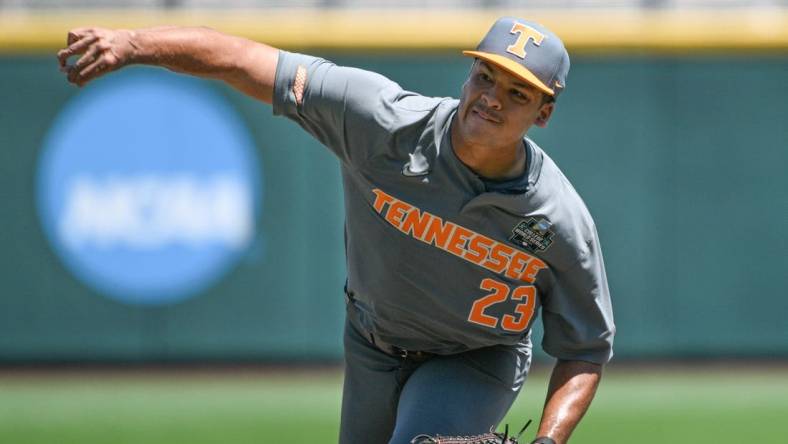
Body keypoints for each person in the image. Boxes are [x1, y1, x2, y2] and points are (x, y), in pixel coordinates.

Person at [57, 16, 615, 444]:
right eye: (485, 75)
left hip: (474, 357)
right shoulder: (383, 122)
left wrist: (548, 439)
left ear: (543, 112)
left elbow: (585, 349)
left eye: (517, 92)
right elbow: (245, 59)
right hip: (371, 343)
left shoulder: (558, 219)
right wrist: (132, 44)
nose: (491, 97)